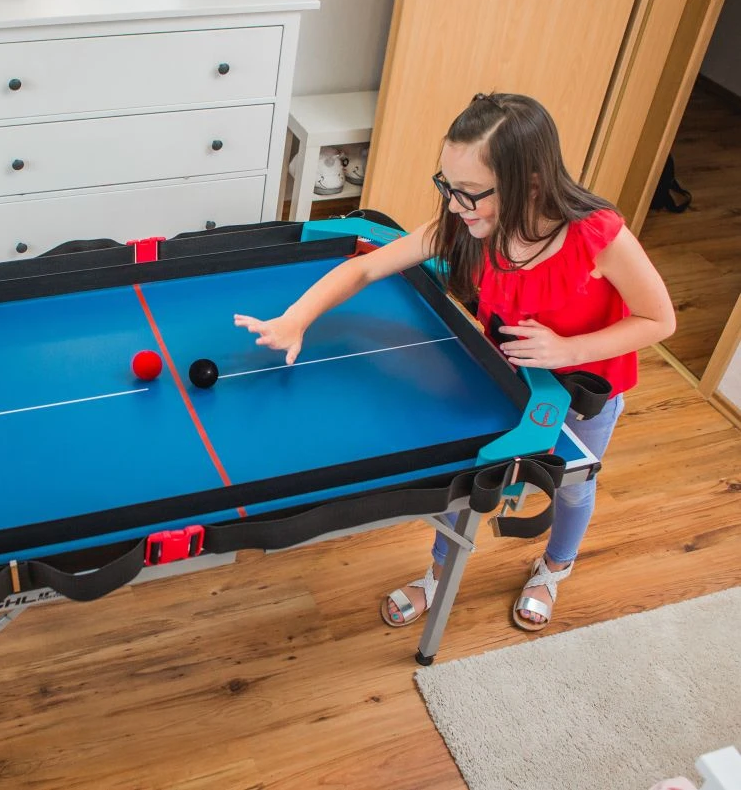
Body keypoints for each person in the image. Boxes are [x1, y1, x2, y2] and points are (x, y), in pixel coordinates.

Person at [234, 93, 676, 632]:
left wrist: (568, 350)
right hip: (504, 382)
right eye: (448, 186)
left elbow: (659, 320)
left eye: (470, 192)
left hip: (588, 391)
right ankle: (438, 574)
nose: (455, 204)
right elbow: (365, 269)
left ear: (530, 184)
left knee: (574, 485)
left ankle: (555, 567)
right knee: (466, 480)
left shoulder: (597, 234)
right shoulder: (466, 221)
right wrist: (296, 319)